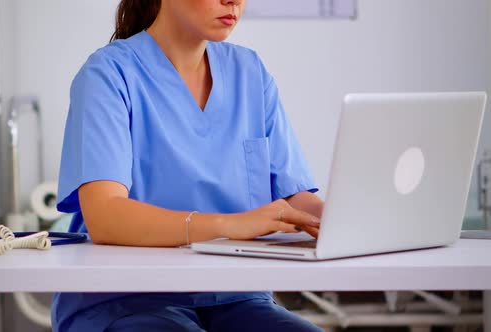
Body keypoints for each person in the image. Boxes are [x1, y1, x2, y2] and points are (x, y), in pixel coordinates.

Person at [52, 0, 324, 331]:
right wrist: (231, 225)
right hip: (125, 300)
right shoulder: (108, 74)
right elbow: (105, 217)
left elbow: (294, 198)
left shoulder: (250, 72)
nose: (233, 1)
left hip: (235, 296)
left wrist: (348, 222)